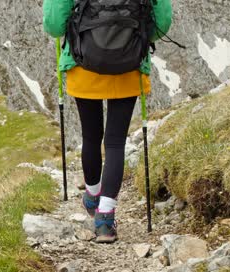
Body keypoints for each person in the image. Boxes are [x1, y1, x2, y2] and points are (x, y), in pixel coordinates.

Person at [43, 0, 173, 243]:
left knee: (91, 137)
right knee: (115, 143)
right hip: (129, 65)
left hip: (83, 64)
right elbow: (161, 24)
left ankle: (92, 196)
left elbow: (54, 26)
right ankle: (105, 218)